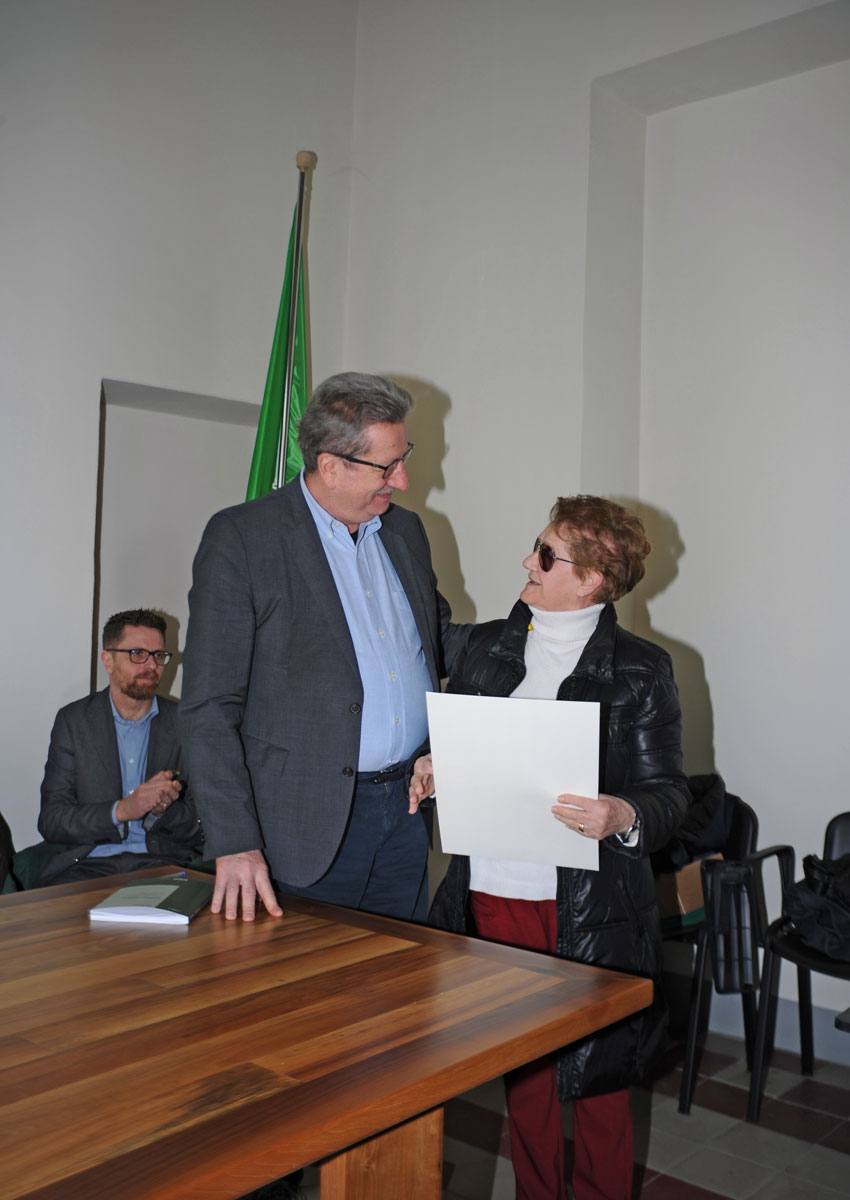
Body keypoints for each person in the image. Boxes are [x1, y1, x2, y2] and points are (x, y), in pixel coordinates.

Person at [409, 495, 690, 1200]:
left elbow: (669, 794)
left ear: (591, 578)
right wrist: (434, 765)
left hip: (591, 907)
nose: (525, 563)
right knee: (525, 1075)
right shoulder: (485, 648)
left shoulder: (643, 668)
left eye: (544, 554)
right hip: (491, 891)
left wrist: (622, 812)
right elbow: (458, 745)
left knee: (599, 1081)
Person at [180, 371, 469, 924]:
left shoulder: (405, 532)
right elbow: (208, 706)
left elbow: (438, 642)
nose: (403, 479)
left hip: (406, 814)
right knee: (306, 980)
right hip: (299, 830)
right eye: (387, 466)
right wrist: (234, 840)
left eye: (403, 456)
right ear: (331, 465)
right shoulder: (245, 539)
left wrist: (542, 624)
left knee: (399, 974)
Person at [38, 609, 202, 885]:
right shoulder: (74, 722)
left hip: (163, 864)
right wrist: (122, 810)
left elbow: (205, 823)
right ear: (108, 660)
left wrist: (163, 811)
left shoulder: (186, 723)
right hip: (88, 867)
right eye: (138, 654)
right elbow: (52, 820)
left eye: (158, 655)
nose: (151, 665)